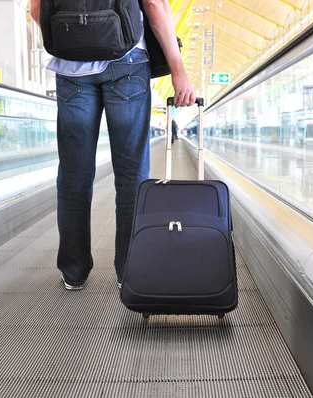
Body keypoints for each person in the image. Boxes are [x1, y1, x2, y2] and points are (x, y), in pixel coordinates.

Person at [31, 0, 196, 290]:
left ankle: (74, 271)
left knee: (73, 175)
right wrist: (177, 68)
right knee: (131, 173)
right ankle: (129, 269)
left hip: (71, 71)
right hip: (127, 63)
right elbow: (154, 4)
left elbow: (36, 9)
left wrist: (74, 38)